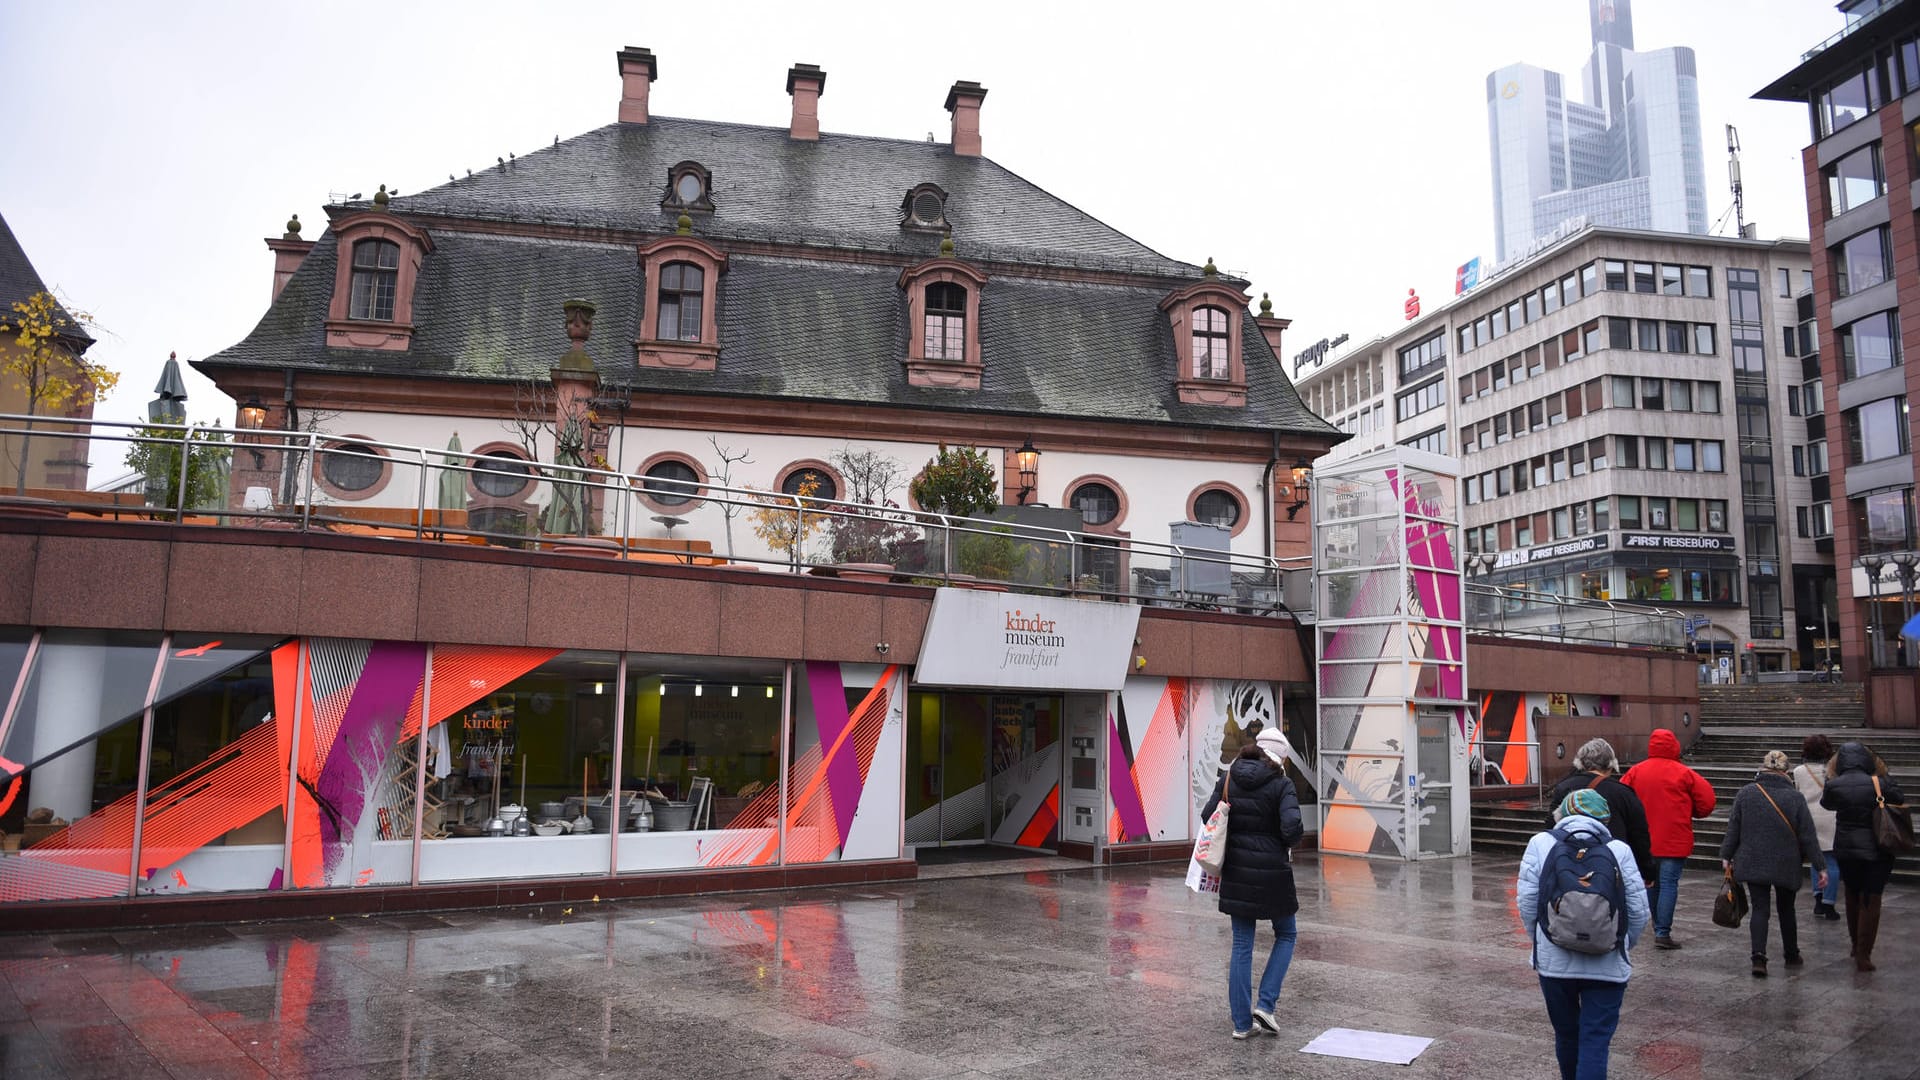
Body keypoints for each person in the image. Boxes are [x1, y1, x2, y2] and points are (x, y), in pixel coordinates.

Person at [1517, 789, 1650, 1080]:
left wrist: (1542, 939)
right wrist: (1623, 943)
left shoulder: (1540, 843)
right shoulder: (1619, 850)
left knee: (1566, 1035)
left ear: (1561, 815)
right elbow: (1639, 911)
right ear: (1604, 819)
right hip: (1607, 963)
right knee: (1595, 1040)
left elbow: (1527, 904)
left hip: (1555, 963)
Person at [1200, 726, 1304, 1040]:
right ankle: (1266, 1004)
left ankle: (1242, 1024)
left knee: (1242, 945)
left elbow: (1209, 816)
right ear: (1280, 758)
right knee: (1286, 933)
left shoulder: (1229, 778)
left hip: (1237, 873)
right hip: (1273, 872)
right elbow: (1291, 829)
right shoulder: (1282, 784)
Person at [1719, 751, 1826, 977]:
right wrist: (1820, 865)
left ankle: (1758, 957)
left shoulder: (1746, 794)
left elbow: (1734, 829)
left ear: (1763, 769)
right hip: (1786, 862)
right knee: (1787, 909)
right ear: (1786, 772)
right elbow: (1807, 836)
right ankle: (1791, 954)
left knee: (1760, 908)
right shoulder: (1795, 798)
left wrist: (1726, 855)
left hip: (1753, 859)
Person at [1621, 728, 1716, 949]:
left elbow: (1622, 800)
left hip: (1644, 840)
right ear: (1674, 746)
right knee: (1669, 884)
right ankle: (1663, 932)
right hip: (1674, 839)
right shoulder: (1684, 773)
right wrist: (1689, 811)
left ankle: (1656, 926)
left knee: (1651, 883)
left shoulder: (1636, 772)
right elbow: (1707, 801)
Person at [1821, 741, 1906, 972]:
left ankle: (1855, 944)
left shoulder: (1834, 784)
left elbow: (1826, 804)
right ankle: (1864, 953)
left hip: (1846, 848)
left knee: (1852, 894)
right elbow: (1899, 797)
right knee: (1872, 898)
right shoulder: (1879, 782)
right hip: (1877, 847)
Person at [1546, 738, 1654, 890]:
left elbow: (1552, 826)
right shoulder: (1622, 793)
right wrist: (1647, 871)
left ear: (1580, 763)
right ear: (1611, 764)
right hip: (1611, 867)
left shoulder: (1564, 787)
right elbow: (1639, 836)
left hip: (1568, 867)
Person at [1789, 734, 1841, 920]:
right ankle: (1829, 903)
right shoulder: (1833, 770)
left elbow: (1797, 794)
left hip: (1808, 818)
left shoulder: (1799, 771)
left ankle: (1818, 899)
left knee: (1815, 859)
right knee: (1831, 861)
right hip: (1831, 817)